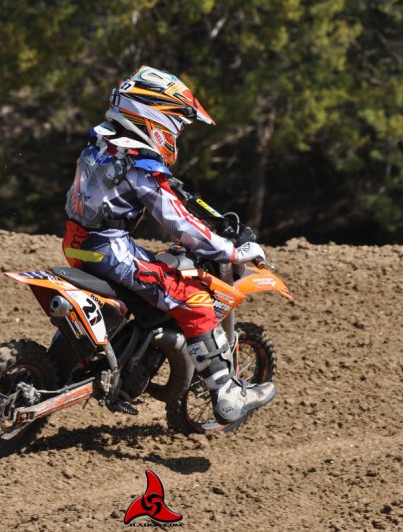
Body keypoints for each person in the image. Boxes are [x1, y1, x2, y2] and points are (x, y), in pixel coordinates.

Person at [62, 66, 275, 424]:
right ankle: (227, 393)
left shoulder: (101, 145)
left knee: (150, 288)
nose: (177, 132)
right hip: (113, 254)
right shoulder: (140, 165)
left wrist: (185, 197)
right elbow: (179, 223)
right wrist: (231, 251)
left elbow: (165, 192)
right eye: (176, 123)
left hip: (77, 245)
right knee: (194, 299)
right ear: (153, 117)